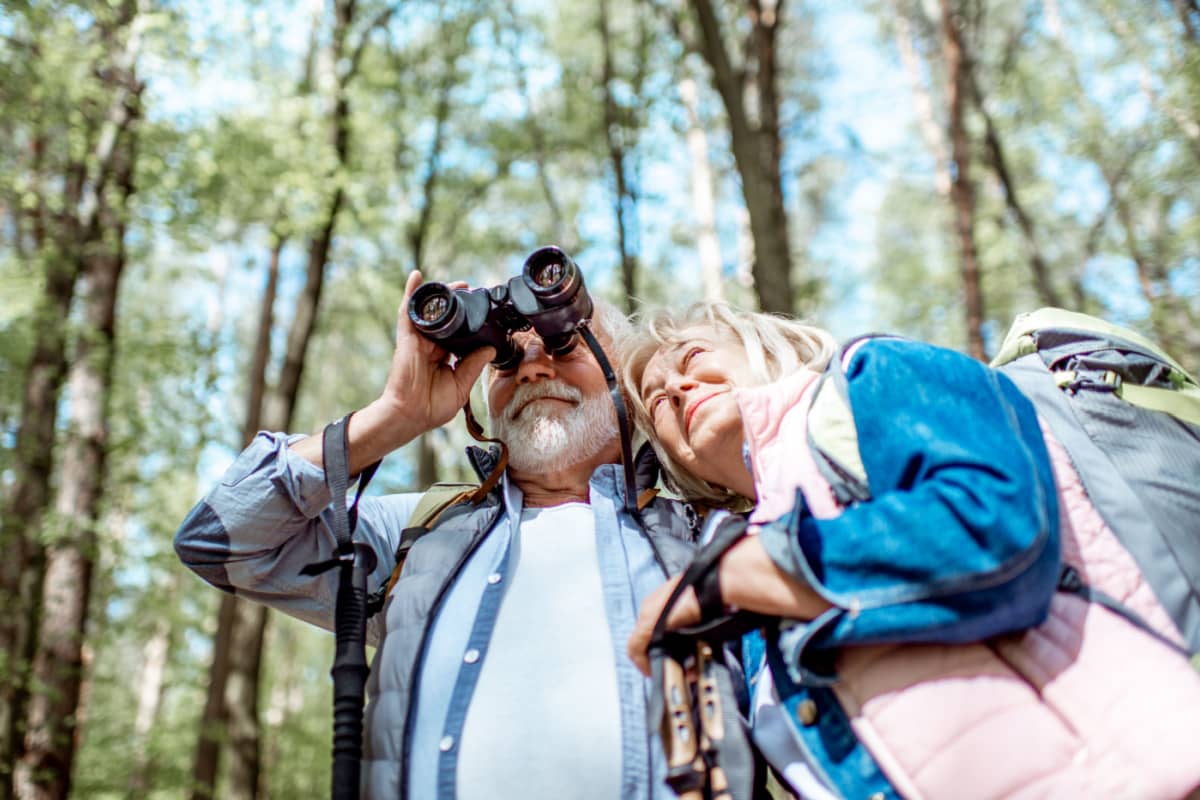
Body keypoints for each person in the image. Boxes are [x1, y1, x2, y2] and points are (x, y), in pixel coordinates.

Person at [620, 302, 1200, 800]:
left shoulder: (871, 375)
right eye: (658, 401)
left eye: (692, 357)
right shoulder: (734, 574)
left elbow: (992, 531)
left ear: (765, 342)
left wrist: (746, 572)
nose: (675, 387)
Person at [174, 270, 700, 800]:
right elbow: (221, 542)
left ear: (628, 386)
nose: (532, 371)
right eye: (506, 359)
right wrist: (392, 418)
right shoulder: (423, 533)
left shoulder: (704, 539)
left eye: (564, 344)